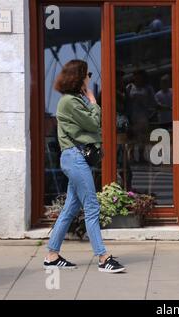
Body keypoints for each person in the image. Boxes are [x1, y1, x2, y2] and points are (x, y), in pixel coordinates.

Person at [45, 59, 125, 273]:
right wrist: (93, 101)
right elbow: (92, 123)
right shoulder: (70, 102)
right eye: (86, 74)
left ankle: (52, 255)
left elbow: (90, 125)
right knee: (91, 207)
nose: (89, 78)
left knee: (71, 208)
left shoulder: (74, 100)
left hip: (76, 158)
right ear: (77, 77)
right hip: (75, 158)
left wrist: (88, 103)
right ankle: (103, 257)